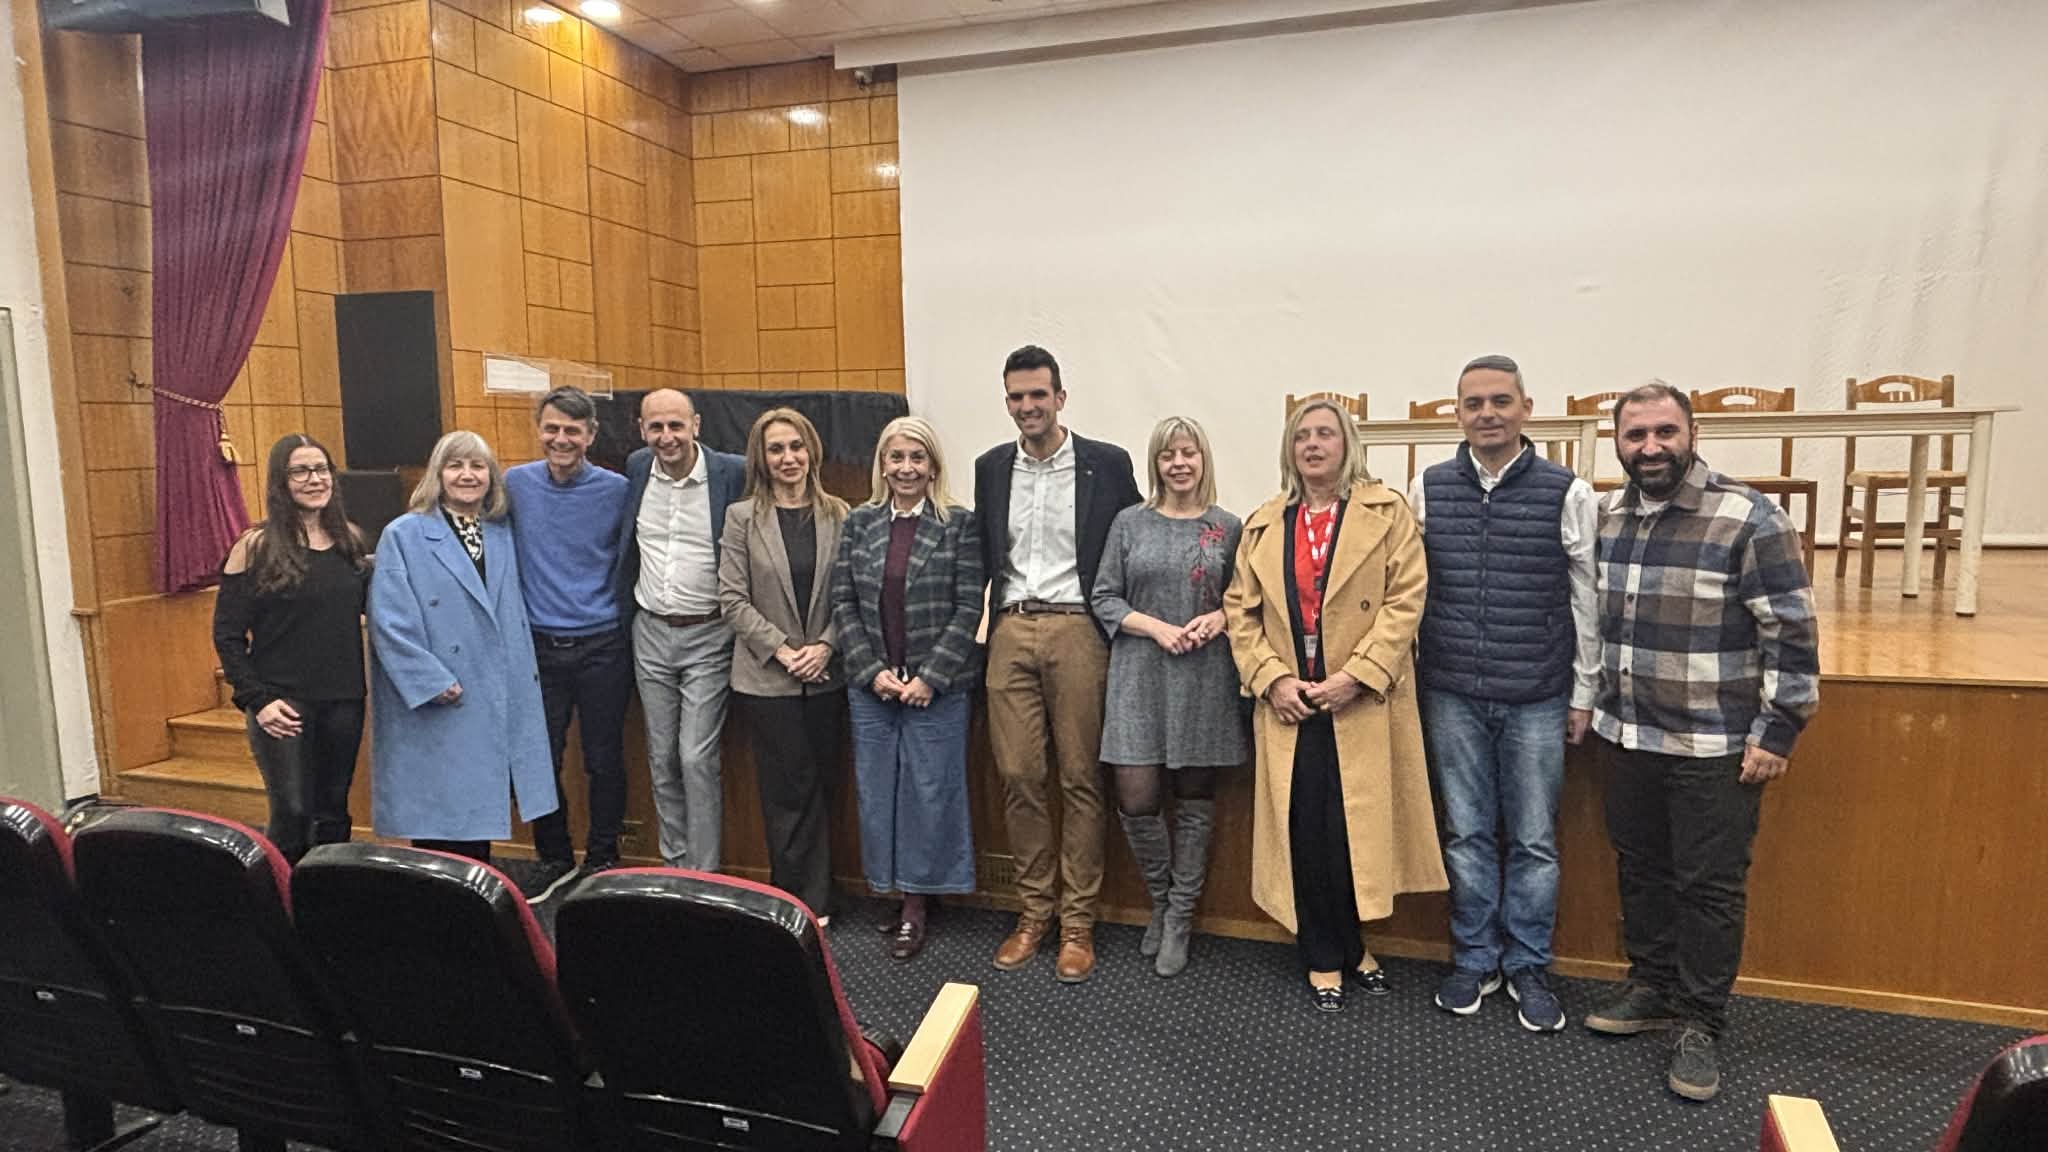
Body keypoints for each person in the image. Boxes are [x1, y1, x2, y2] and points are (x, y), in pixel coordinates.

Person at [1582, 382, 1819, 1102]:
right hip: (1627, 734)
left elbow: (1792, 632)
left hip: (1713, 744)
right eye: (1635, 435)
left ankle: (1700, 1020)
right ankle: (1652, 986)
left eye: (1665, 432)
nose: (1651, 447)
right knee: (1641, 870)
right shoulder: (1609, 516)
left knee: (1708, 888)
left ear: (1693, 434)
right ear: (1617, 443)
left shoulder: (1749, 518)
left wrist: (1779, 729)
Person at [1223, 398, 1445, 1013]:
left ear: (1347, 444)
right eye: (1302, 436)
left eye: (1326, 434)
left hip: (1359, 698)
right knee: (1306, 829)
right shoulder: (1264, 523)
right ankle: (1321, 950)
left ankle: (1353, 943)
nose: (1313, 445)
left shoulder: (1386, 512)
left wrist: (1359, 676)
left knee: (1353, 831)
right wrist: (1271, 679)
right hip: (1291, 701)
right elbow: (1240, 613)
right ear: (1289, 449)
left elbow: (1406, 599)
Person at [1407, 355, 1601, 1031]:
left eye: (1500, 401)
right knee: (1465, 835)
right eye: (1473, 403)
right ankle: (1474, 958)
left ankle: (1527, 964)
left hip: (1537, 694)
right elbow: (1410, 590)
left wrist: (1584, 691)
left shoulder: (1568, 492)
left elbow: (1586, 597)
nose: (1487, 413)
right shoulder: (1427, 487)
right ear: (1457, 413)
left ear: (1526, 408)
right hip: (1452, 690)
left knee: (1534, 840)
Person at [975, 345, 1142, 984]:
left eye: (1038, 395)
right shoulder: (992, 468)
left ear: (1060, 398)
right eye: (1017, 397)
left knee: (1080, 777)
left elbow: (1131, 542)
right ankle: (1033, 912)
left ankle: (1077, 923)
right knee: (1018, 774)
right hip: (1011, 626)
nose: (1028, 407)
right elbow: (984, 554)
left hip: (1078, 627)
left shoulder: (1107, 463)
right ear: (1007, 402)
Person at [1091, 416, 1243, 978]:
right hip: (1138, 672)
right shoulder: (1129, 523)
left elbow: (1247, 600)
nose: (1179, 463)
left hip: (1204, 676)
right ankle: (1161, 900)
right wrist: (1155, 628)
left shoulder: (1228, 526)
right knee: (1136, 797)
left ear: (1203, 459)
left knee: (1195, 797)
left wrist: (1220, 618)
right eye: (1167, 455)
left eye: (1188, 453)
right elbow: (1104, 597)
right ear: (1155, 463)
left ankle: (1180, 916)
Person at [832, 416, 984, 960]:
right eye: (896, 457)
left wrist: (930, 678)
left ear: (933, 466)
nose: (906, 468)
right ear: (882, 464)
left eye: (917, 457)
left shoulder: (958, 524)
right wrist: (870, 669)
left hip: (935, 688)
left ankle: (917, 903)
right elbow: (842, 601)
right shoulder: (859, 522)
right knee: (878, 794)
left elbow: (969, 606)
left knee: (929, 793)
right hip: (872, 685)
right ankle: (892, 890)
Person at [367, 430, 556, 863]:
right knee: (439, 818)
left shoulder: (501, 533)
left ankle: (475, 894)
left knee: (477, 817)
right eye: (455, 466)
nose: (467, 475)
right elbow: (389, 621)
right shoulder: (404, 534)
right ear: (437, 474)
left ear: (491, 477)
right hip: (442, 694)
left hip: (493, 689)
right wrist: (430, 680)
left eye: (477, 466)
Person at [212, 434, 370, 864]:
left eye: (321, 469)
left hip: (343, 699)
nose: (314, 479)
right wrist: (257, 700)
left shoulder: (351, 541)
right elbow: (227, 635)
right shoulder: (255, 546)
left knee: (333, 810)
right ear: (281, 482)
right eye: (300, 471)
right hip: (281, 701)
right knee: (292, 812)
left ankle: (327, 893)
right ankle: (280, 898)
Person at [719, 408, 849, 922]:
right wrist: (784, 650)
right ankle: (796, 898)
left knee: (822, 785)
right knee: (784, 792)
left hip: (826, 674)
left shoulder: (841, 514)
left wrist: (826, 646)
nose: (788, 458)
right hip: (767, 678)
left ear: (811, 451)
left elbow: (852, 593)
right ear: (761, 457)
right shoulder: (741, 517)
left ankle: (818, 891)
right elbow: (732, 599)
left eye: (796, 446)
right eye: (776, 449)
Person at [503, 387, 631, 902]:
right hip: (538, 646)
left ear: (591, 435)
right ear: (538, 429)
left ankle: (603, 855)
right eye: (552, 428)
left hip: (603, 643)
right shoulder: (515, 484)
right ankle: (553, 856)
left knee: (603, 757)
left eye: (573, 431)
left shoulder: (618, 490)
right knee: (541, 756)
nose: (561, 439)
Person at [616, 388, 746, 871]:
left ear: (696, 425)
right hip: (650, 631)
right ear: (641, 430)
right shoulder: (636, 469)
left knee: (695, 757)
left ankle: (704, 875)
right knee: (662, 757)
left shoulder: (731, 472)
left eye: (676, 425)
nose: (666, 436)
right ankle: (675, 866)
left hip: (710, 633)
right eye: (656, 427)